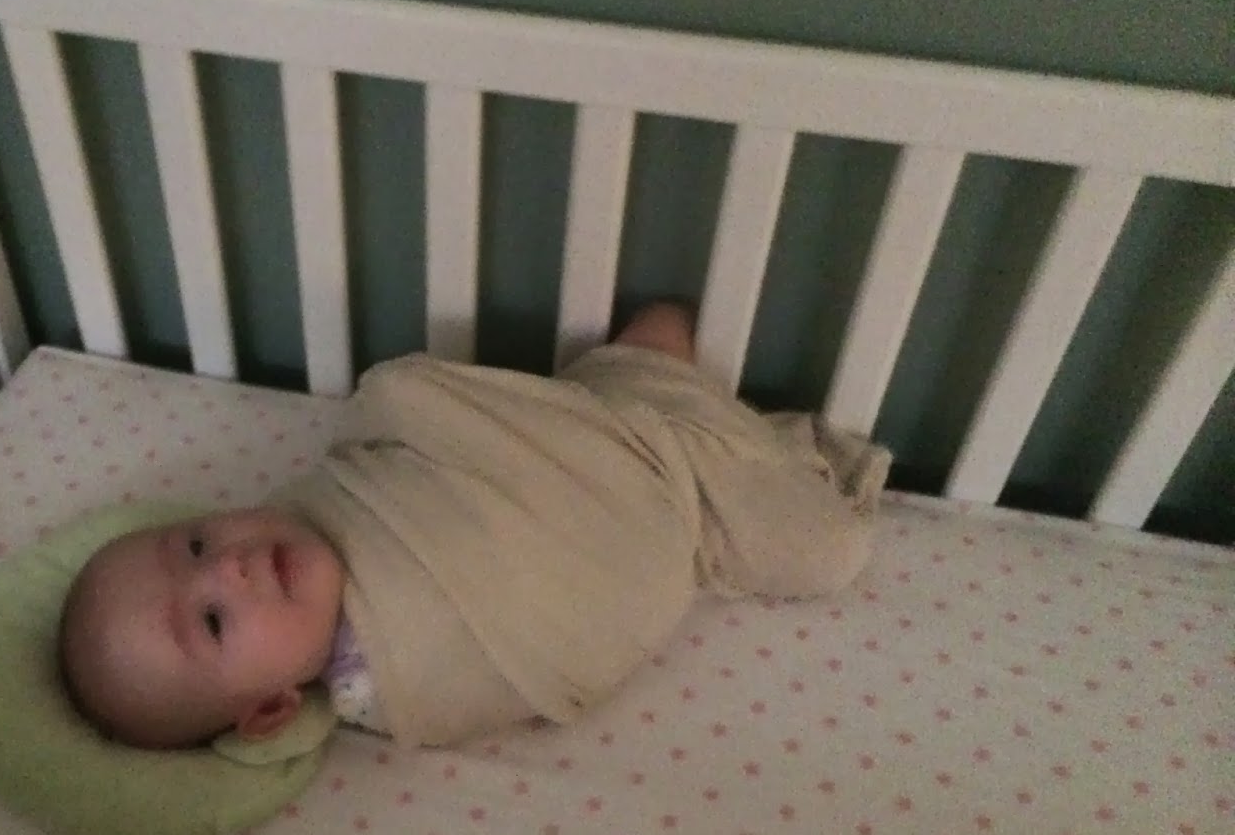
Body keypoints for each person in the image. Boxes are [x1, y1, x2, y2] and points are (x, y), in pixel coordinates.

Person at [59, 301, 889, 751]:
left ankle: (629, 389)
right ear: (271, 710)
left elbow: (410, 409)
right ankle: (646, 390)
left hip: (576, 449)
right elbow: (503, 663)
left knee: (641, 378)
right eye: (213, 621)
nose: (226, 568)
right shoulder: (382, 694)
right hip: (668, 527)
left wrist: (540, 436)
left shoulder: (332, 490)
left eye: (196, 542)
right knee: (831, 551)